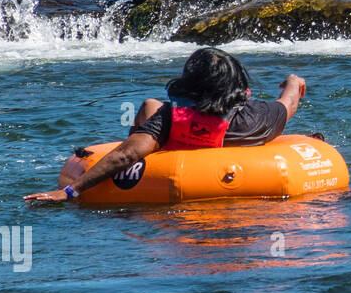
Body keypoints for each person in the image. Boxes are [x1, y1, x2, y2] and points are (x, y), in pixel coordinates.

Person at [25, 48, 306, 202]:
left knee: (149, 105)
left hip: (162, 185)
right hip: (243, 187)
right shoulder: (259, 117)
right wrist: (294, 82)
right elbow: (289, 103)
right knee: (151, 104)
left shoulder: (171, 117)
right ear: (238, 86)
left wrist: (69, 191)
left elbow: (126, 155)